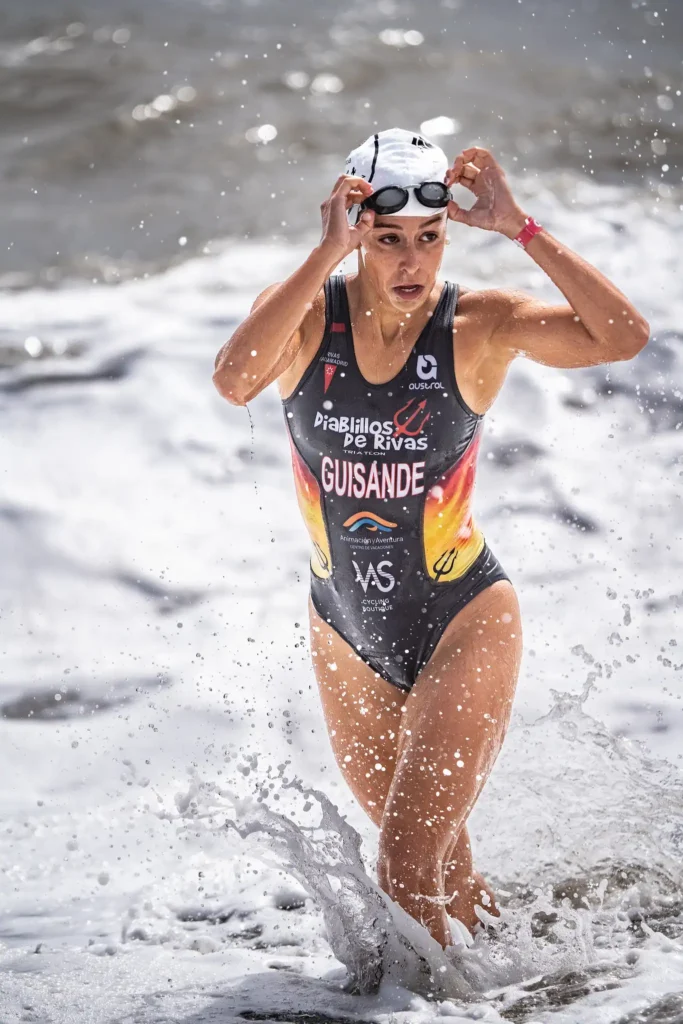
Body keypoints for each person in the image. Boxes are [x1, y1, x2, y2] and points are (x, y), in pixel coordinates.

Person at [212, 127, 649, 950]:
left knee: (404, 869)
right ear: (354, 232)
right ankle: (518, 986)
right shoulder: (305, 317)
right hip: (344, 632)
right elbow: (234, 380)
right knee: (443, 872)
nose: (411, 261)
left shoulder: (477, 324)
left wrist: (519, 228)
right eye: (387, 240)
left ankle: (435, 1004)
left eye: (428, 237)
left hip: (461, 616)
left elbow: (621, 336)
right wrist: (324, 255)